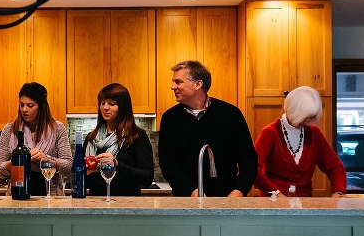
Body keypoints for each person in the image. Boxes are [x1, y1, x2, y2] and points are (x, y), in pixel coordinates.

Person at [158, 60, 258, 197]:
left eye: (178, 82)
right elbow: (167, 163)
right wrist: (192, 191)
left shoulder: (230, 114)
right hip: (186, 200)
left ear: (198, 84)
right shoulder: (170, 118)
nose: (172, 87)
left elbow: (248, 159)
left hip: (228, 199)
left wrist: (239, 191)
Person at [254, 86, 346, 197]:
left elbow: (335, 166)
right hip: (272, 203)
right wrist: (276, 193)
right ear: (293, 110)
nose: (308, 121)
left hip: (304, 203)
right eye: (304, 116)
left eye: (311, 117)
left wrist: (338, 191)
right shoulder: (269, 133)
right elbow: (253, 169)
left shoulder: (314, 134)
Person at [0, 82, 72, 196]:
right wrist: (17, 162)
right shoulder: (10, 129)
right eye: (22, 105)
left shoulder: (57, 128)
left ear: (41, 106)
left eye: (30, 105)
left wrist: (47, 159)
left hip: (51, 199)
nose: (24, 110)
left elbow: (69, 167)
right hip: (17, 196)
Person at [83, 83, 154, 196]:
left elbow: (147, 178)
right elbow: (84, 183)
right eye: (102, 103)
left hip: (127, 205)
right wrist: (85, 173)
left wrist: (117, 164)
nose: (105, 107)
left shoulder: (136, 136)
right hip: (96, 204)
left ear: (123, 107)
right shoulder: (91, 138)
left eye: (112, 104)